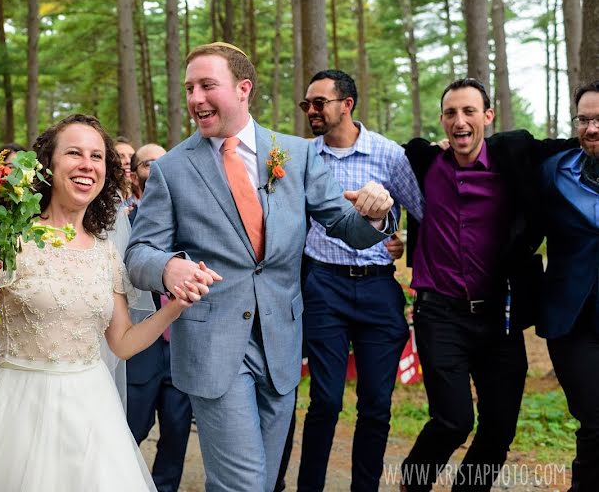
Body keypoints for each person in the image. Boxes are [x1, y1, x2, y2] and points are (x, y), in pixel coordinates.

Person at [125, 42, 396, 492]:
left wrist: (376, 214)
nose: (195, 98)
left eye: (207, 85)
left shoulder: (295, 154)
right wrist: (169, 268)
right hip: (214, 345)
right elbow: (139, 253)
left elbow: (347, 226)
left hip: (281, 344)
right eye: (190, 88)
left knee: (263, 482)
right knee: (242, 484)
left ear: (243, 88)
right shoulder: (171, 169)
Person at [0, 114, 202, 491]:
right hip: (19, 405)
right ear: (49, 165)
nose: (87, 164)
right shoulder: (11, 240)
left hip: (91, 406)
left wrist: (176, 305)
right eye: (74, 153)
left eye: (96, 156)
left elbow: (122, 343)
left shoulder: (106, 254)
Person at [400, 78, 577, 491]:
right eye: (450, 113)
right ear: (442, 121)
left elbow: (570, 145)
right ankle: (412, 482)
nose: (459, 121)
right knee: (453, 420)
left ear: (488, 117)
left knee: (499, 428)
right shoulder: (424, 163)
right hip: (439, 313)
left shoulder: (513, 155)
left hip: (500, 314)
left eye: (469, 112)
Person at [274, 70, 424, 492]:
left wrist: (398, 236)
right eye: (306, 104)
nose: (311, 111)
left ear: (347, 104)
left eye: (319, 102)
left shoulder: (390, 155)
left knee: (376, 406)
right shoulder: (300, 156)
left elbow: (423, 211)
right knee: (324, 401)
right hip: (322, 285)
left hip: (378, 288)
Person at [538, 81, 599, 491]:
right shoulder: (553, 170)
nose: (591, 128)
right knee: (595, 418)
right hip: (572, 322)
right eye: (584, 119)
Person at [124, 143, 193, 492]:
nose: (157, 168)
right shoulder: (123, 224)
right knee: (129, 431)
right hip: (141, 348)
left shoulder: (190, 218)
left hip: (182, 346)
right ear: (134, 173)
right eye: (147, 163)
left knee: (177, 434)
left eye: (162, 161)